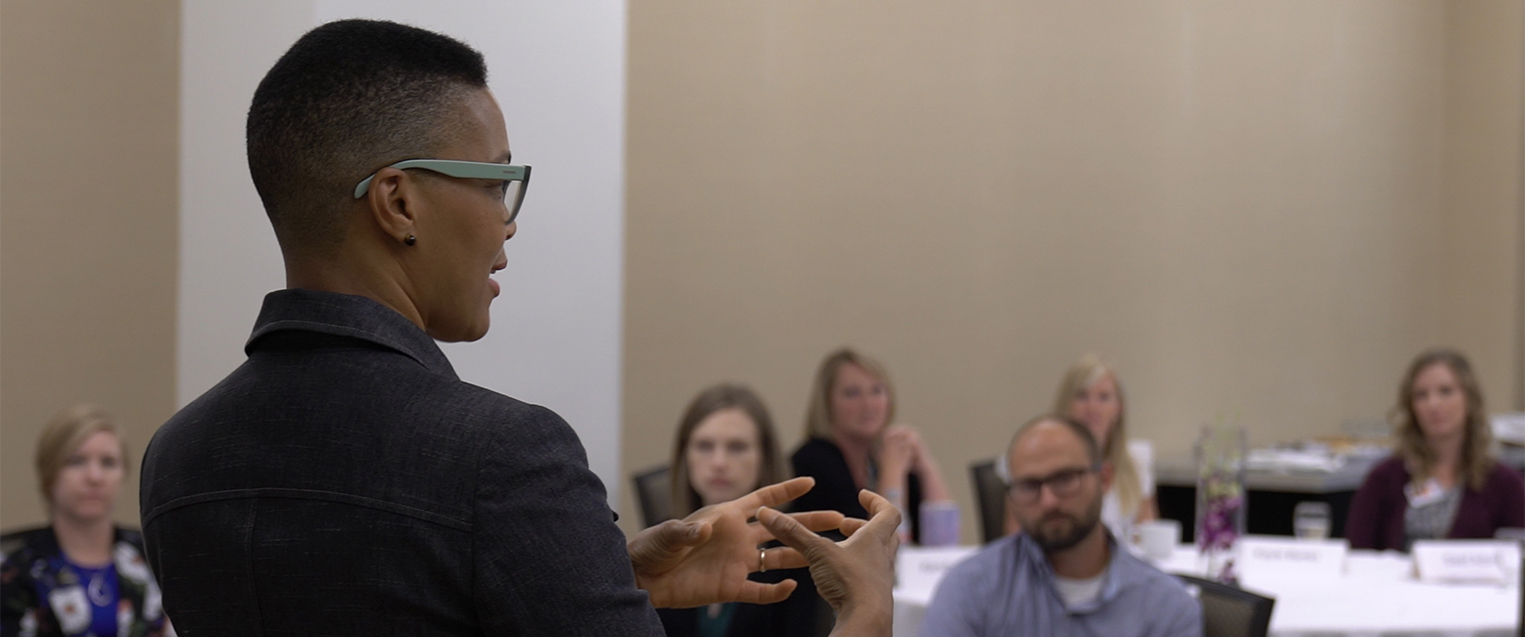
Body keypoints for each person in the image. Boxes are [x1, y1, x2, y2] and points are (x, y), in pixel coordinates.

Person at [138, 19, 898, 636]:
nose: (506, 222)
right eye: (496, 179)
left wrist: (596, 577)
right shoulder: (499, 458)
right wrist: (864, 611)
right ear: (398, 202)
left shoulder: (179, 459)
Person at [921, 416, 1200, 637]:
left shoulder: (1166, 607)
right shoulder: (971, 589)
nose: (1049, 501)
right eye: (1029, 486)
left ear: (1104, 479)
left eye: (1065, 479)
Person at [657, 384, 821, 637]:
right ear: (684, 455)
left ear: (764, 458)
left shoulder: (794, 555)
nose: (719, 462)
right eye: (704, 446)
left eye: (736, 447)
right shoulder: (663, 544)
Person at [1, 405, 168, 637]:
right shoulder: (12, 567)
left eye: (108, 462)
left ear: (124, 474)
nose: (94, 477)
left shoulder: (155, 557)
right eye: (77, 461)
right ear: (49, 475)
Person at [1345, 348, 1525, 551]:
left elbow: (1517, 559)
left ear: (1469, 399)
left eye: (1445, 391)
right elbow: (1357, 554)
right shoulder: (1384, 479)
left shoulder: (1505, 484)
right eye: (1421, 395)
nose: (1433, 404)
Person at [791, 348, 953, 544]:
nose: (868, 404)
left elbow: (944, 543)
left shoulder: (878, 457)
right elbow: (875, 549)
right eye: (852, 394)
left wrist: (926, 467)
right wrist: (892, 471)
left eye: (876, 391)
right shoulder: (813, 461)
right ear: (827, 403)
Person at [1010, 356, 1157, 540]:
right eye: (1082, 396)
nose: (1092, 408)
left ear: (1119, 407)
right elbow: (1016, 540)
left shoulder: (1136, 459)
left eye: (1103, 397)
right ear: (1066, 403)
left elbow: (1147, 534)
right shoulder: (1035, 461)